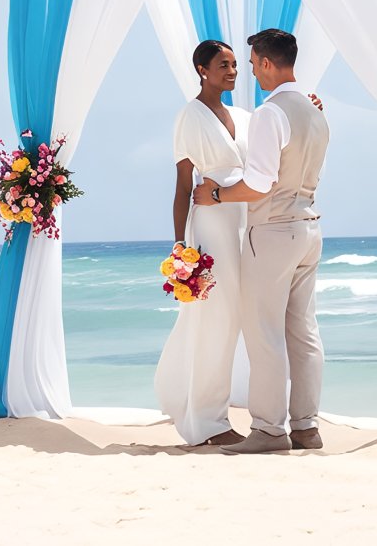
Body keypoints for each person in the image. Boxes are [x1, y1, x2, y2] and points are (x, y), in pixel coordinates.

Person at [193, 28, 330, 453]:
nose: (250, 71)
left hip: (272, 232)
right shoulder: (315, 110)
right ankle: (306, 427)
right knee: (303, 332)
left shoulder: (272, 113)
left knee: (264, 333)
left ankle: (270, 430)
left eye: (252, 63)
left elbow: (258, 183)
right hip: (309, 226)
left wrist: (215, 195)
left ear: (268, 63)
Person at [154, 40, 250, 447]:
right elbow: (181, 187)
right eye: (223, 65)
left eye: (234, 65)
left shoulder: (245, 117)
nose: (232, 71)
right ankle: (208, 421)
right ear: (201, 69)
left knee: (234, 318)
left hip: (245, 220)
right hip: (209, 226)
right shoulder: (188, 118)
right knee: (217, 318)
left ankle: (190, 396)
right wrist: (180, 248)